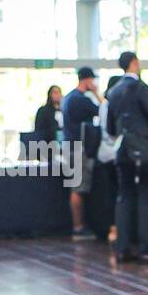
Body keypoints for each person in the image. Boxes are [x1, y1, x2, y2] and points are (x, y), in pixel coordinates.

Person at [105, 51, 148, 265]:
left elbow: (109, 127)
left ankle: (122, 248)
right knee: (146, 196)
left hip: (122, 149)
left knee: (124, 197)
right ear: (134, 63)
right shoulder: (140, 88)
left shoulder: (113, 92)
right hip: (143, 149)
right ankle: (146, 248)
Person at [62, 67, 101, 240]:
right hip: (79, 148)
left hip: (70, 147)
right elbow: (104, 110)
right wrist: (97, 93)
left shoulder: (68, 98)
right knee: (78, 188)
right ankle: (78, 227)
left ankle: (79, 226)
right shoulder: (81, 99)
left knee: (75, 186)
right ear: (87, 80)